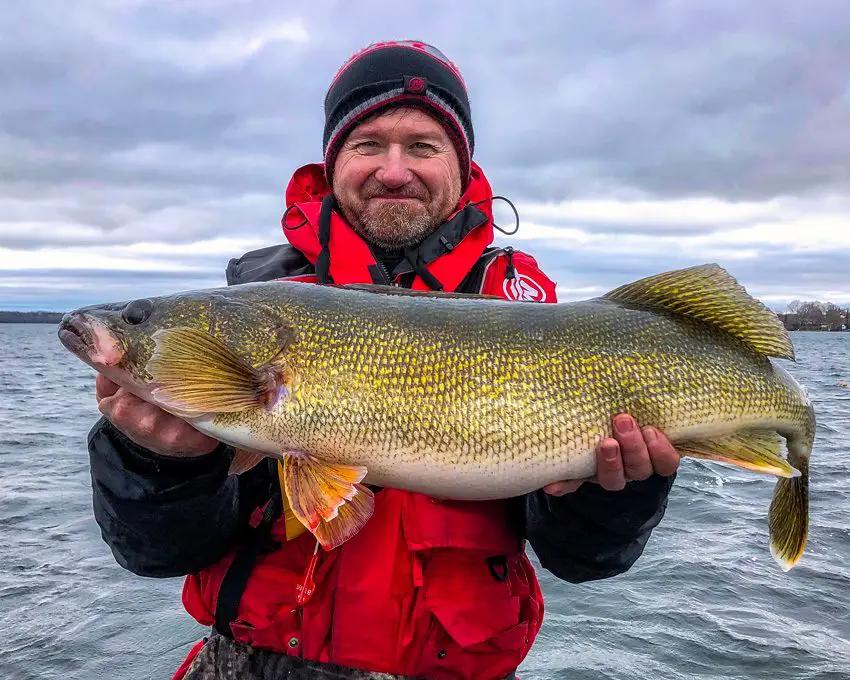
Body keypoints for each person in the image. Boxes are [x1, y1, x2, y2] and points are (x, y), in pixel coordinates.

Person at [88, 41, 681, 680]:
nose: (394, 170)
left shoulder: (534, 319)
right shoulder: (252, 316)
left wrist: (615, 497)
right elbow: (155, 554)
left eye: (423, 146)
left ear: (462, 166)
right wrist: (154, 462)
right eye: (368, 143)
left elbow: (583, 560)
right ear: (332, 161)